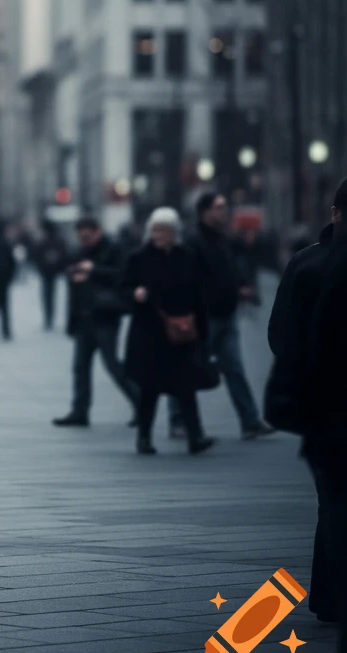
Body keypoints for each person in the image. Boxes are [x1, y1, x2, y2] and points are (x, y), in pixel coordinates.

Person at [275, 177, 347, 653]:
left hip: (323, 409)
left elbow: (281, 334)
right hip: (332, 407)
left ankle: (328, 593)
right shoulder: (315, 265)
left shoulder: (306, 262)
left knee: (333, 501)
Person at [122, 207, 215, 456]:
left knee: (185, 387)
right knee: (149, 390)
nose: (157, 235)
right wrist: (135, 294)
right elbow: (123, 287)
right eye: (154, 229)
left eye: (162, 230)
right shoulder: (138, 258)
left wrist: (203, 332)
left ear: (174, 233)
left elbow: (198, 295)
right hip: (149, 334)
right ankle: (144, 437)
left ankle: (195, 437)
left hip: (181, 333)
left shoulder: (187, 256)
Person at [182, 193, 274, 440]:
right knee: (191, 366)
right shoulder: (194, 242)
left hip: (227, 313)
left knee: (234, 368)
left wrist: (241, 287)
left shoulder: (224, 240)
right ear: (204, 211)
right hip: (206, 316)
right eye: (218, 208)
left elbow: (232, 269)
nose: (223, 212)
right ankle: (178, 418)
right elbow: (194, 279)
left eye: (224, 207)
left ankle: (250, 421)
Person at [54, 216, 139, 427]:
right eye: (81, 236)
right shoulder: (78, 252)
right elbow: (73, 287)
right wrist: (71, 321)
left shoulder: (113, 249)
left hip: (106, 316)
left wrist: (92, 271)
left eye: (88, 235)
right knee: (80, 367)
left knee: (112, 364)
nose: (85, 239)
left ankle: (141, 403)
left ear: (97, 231)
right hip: (84, 317)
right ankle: (79, 411)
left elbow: (123, 276)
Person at [33, 222, 68, 330]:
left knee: (47, 295)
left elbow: (36, 255)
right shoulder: (58, 241)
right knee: (51, 294)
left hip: (46, 271)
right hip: (52, 271)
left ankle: (48, 318)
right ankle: (50, 317)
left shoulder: (43, 241)